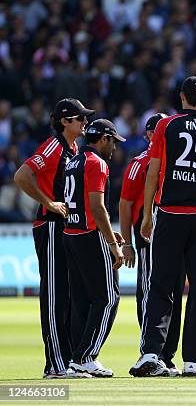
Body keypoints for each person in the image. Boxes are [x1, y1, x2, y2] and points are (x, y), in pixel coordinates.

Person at [129, 76, 196, 377]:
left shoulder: (166, 126)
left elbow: (153, 173)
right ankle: (192, 362)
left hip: (170, 213)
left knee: (161, 285)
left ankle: (151, 352)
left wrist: (147, 215)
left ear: (182, 98)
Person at [14, 98, 95, 379]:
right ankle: (56, 365)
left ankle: (68, 360)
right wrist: (48, 202)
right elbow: (22, 175)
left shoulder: (72, 148)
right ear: (64, 121)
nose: (85, 122)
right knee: (55, 294)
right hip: (50, 226)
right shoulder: (54, 146)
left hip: (65, 227)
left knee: (69, 293)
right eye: (80, 118)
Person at [119, 113, 183, 377]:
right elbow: (124, 204)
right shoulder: (140, 163)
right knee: (149, 293)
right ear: (148, 135)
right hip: (147, 237)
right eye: (157, 130)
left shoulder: (175, 160)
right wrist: (126, 243)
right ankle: (149, 353)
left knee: (175, 296)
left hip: (174, 232)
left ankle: (166, 356)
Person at [63, 119, 126, 377]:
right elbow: (97, 207)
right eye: (113, 141)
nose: (114, 148)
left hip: (71, 234)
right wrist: (113, 244)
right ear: (103, 139)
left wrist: (111, 232)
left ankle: (77, 359)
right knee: (108, 297)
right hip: (90, 236)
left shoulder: (74, 161)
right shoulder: (96, 163)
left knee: (82, 300)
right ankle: (85, 356)